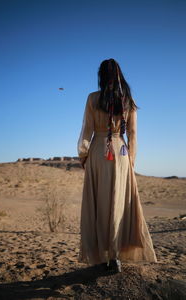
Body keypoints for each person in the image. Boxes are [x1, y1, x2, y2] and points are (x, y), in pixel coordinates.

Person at [77, 58, 158, 273]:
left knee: (101, 202)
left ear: (101, 76)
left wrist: (83, 156)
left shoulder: (92, 98)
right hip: (120, 153)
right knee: (119, 203)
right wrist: (130, 160)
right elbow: (132, 135)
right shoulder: (128, 101)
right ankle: (116, 256)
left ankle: (103, 254)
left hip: (97, 152)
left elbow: (87, 131)